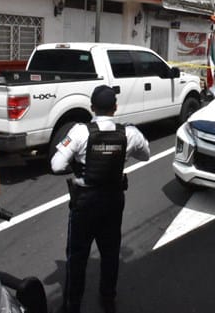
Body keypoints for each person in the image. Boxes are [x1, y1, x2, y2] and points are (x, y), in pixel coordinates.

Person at [51, 85, 150, 313]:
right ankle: (108, 299)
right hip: (113, 201)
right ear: (115, 108)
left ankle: (72, 305)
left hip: (84, 202)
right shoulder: (129, 133)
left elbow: (56, 165)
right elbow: (146, 155)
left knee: (77, 256)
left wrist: (78, 164)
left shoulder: (79, 131)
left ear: (92, 107)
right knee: (110, 253)